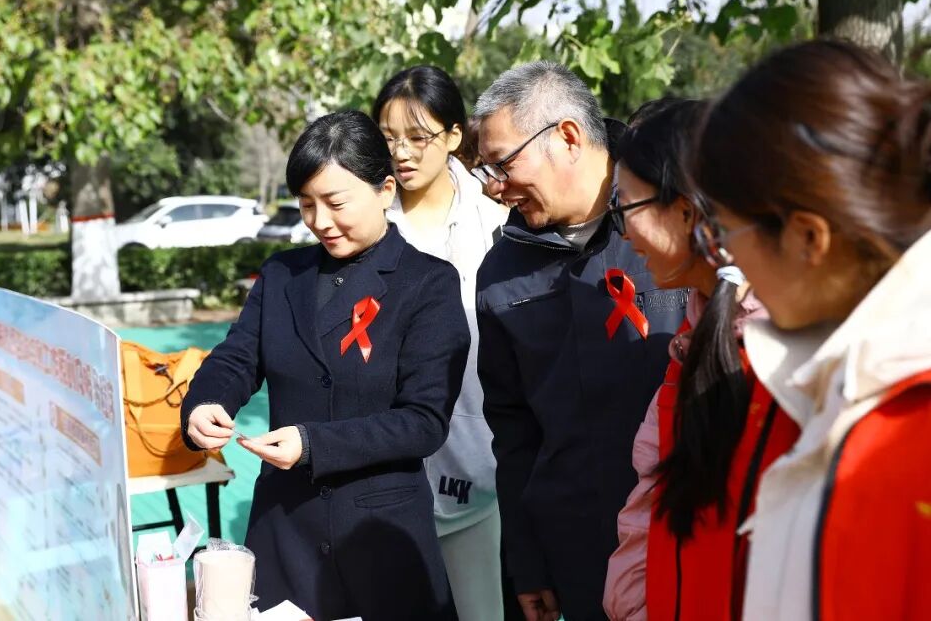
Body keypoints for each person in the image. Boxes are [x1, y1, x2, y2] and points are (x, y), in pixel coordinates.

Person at [180, 110, 470, 621]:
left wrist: (312, 444)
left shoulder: (426, 284)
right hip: (285, 530)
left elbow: (424, 422)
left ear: (384, 190)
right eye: (307, 204)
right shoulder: (282, 275)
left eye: (336, 203)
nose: (320, 221)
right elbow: (237, 357)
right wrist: (207, 403)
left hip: (380, 537)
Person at [687, 39, 931, 621]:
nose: (723, 257)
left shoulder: (906, 418)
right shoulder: (835, 385)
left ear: (807, 237)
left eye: (724, 230)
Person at [471, 62, 687, 621]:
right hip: (576, 549)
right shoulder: (502, 272)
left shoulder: (669, 221)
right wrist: (526, 561)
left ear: (566, 136)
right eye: (485, 171)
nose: (495, 186)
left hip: (687, 533)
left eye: (503, 163)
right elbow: (513, 433)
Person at [602, 99, 799, 621]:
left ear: (685, 210)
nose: (622, 234)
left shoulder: (786, 353)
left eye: (625, 207)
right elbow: (651, 500)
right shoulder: (697, 332)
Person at [372, 65, 509, 620]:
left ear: (454, 136)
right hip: (387, 467)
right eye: (388, 139)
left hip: (485, 467)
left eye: (418, 137)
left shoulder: (498, 219)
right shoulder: (366, 219)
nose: (402, 153)